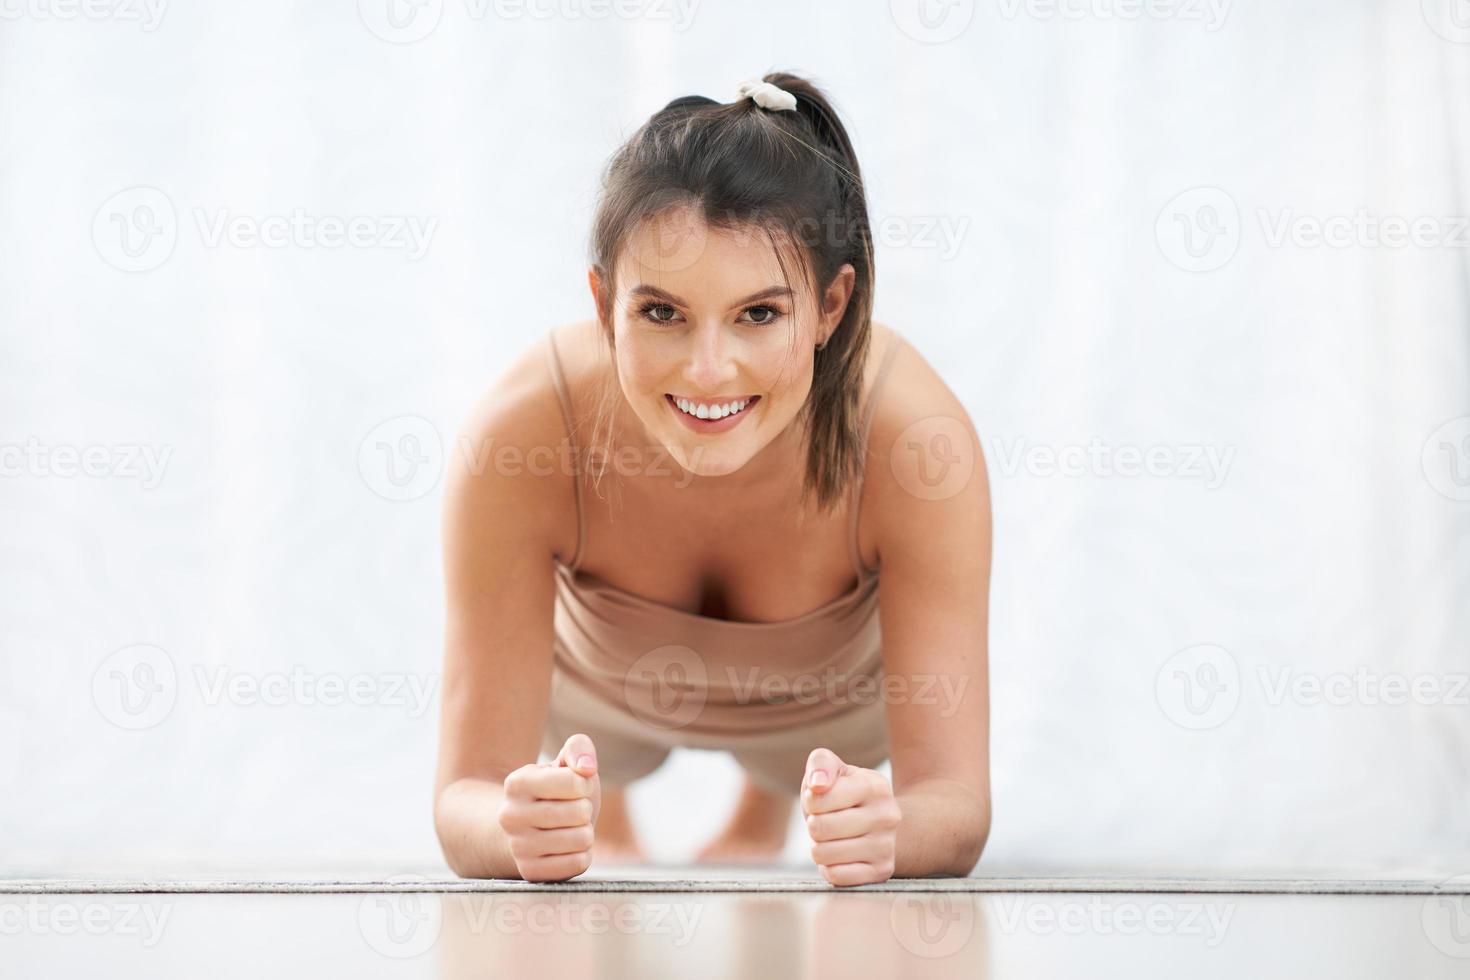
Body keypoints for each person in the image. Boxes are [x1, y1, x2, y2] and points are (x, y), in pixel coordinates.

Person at [433, 72, 992, 886]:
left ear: (832, 309)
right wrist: (522, 824)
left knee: (796, 767)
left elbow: (955, 801)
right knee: (599, 764)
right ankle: (603, 796)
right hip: (597, 698)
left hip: (826, 718)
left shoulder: (916, 441)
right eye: (660, 312)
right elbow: (465, 794)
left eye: (760, 314)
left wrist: (888, 828)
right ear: (603, 305)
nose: (707, 372)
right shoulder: (520, 432)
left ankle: (766, 802)